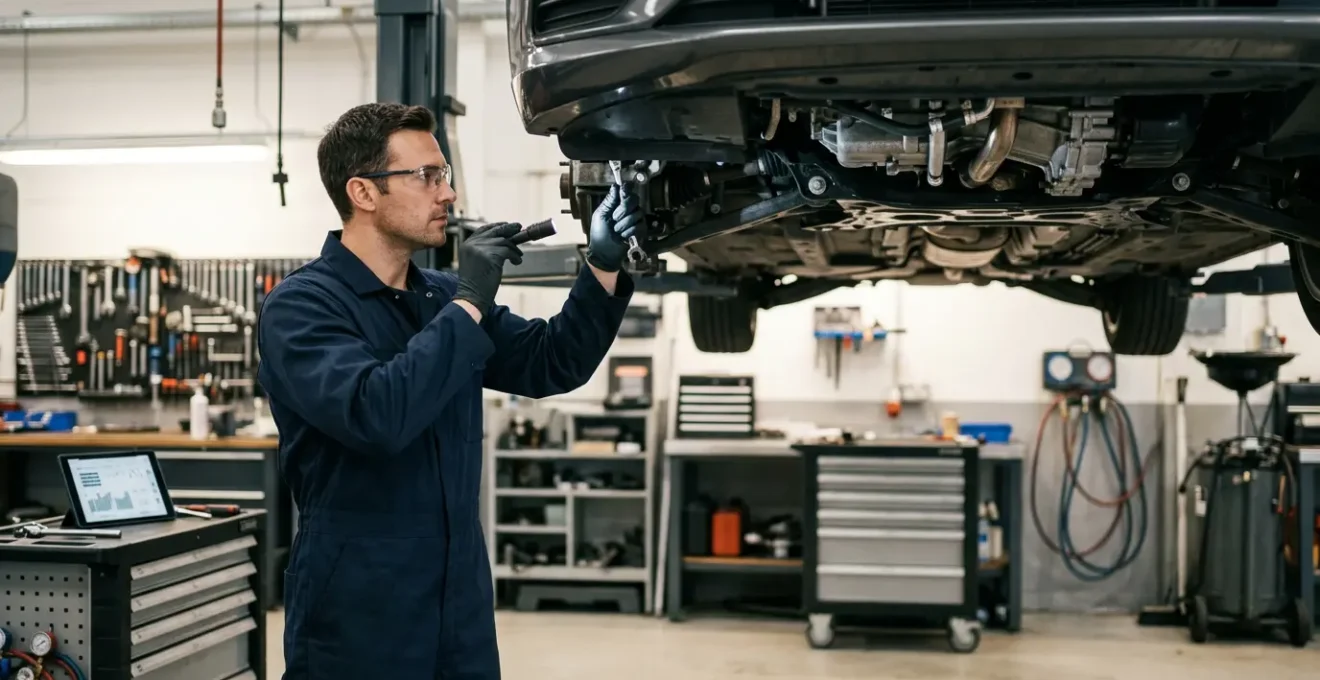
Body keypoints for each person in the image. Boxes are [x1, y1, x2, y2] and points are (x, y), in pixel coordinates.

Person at [256, 102, 641, 679]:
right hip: (358, 606)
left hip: (458, 602)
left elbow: (552, 362)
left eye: (446, 175)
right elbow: (376, 414)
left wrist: (604, 266)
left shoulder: (436, 296)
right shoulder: (302, 306)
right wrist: (470, 302)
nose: (448, 195)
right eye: (427, 177)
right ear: (363, 192)